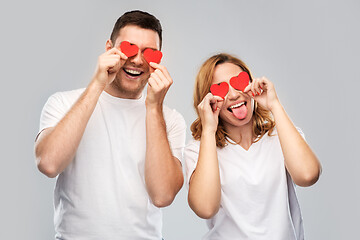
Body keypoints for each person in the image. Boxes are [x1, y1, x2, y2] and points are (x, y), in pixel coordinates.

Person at [34, 10, 186, 240]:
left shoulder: (171, 120)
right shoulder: (62, 103)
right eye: (129, 48)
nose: (137, 60)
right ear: (109, 49)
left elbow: (163, 195)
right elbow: (48, 163)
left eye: (149, 53)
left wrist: (154, 108)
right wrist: (98, 83)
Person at [185, 53, 321, 239]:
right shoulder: (199, 150)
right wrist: (209, 130)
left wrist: (274, 105)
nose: (233, 95)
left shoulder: (281, 136)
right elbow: (205, 208)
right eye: (222, 89)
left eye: (238, 82)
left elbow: (308, 176)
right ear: (208, 99)